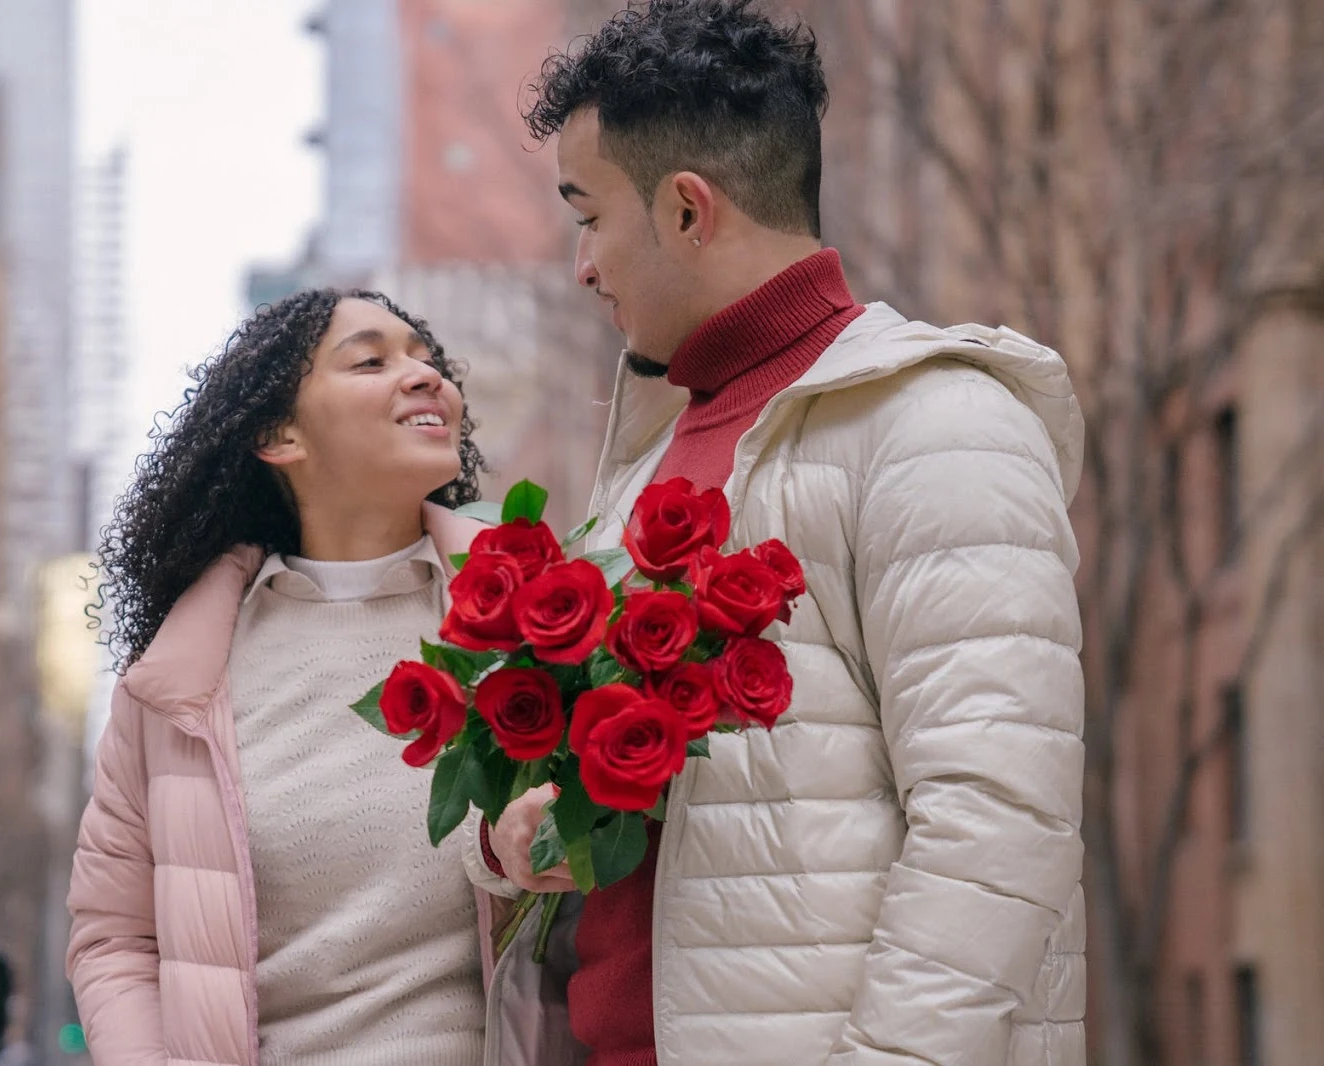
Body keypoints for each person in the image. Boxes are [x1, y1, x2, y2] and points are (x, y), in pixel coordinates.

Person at [474, 3, 1087, 1064]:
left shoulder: (936, 426)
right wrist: (532, 828)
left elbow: (997, 822)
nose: (583, 264)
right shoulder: (655, 456)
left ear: (685, 210)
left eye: (587, 215)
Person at [67, 289, 495, 1066]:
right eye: (372, 360)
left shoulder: (531, 614)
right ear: (279, 436)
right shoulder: (177, 684)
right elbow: (115, 938)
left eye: (429, 362)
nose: (425, 377)